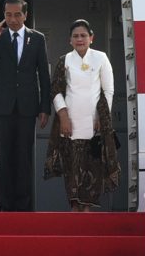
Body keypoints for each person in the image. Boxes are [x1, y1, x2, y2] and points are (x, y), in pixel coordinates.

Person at [0, 0, 51, 211]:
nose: (12, 19)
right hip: (2, 108)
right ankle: (6, 205)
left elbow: (43, 74)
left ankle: (23, 206)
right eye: (8, 15)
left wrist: (45, 108)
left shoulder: (38, 39)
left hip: (27, 107)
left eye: (16, 14)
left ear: (25, 15)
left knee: (24, 157)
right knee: (4, 157)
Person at [44, 18, 120, 211]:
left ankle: (87, 210)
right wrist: (63, 117)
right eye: (76, 36)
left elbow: (108, 90)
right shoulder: (65, 60)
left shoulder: (101, 58)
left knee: (92, 168)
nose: (80, 39)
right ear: (70, 40)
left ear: (91, 38)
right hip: (69, 124)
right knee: (72, 167)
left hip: (93, 123)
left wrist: (101, 118)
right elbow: (55, 91)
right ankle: (75, 208)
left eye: (83, 36)